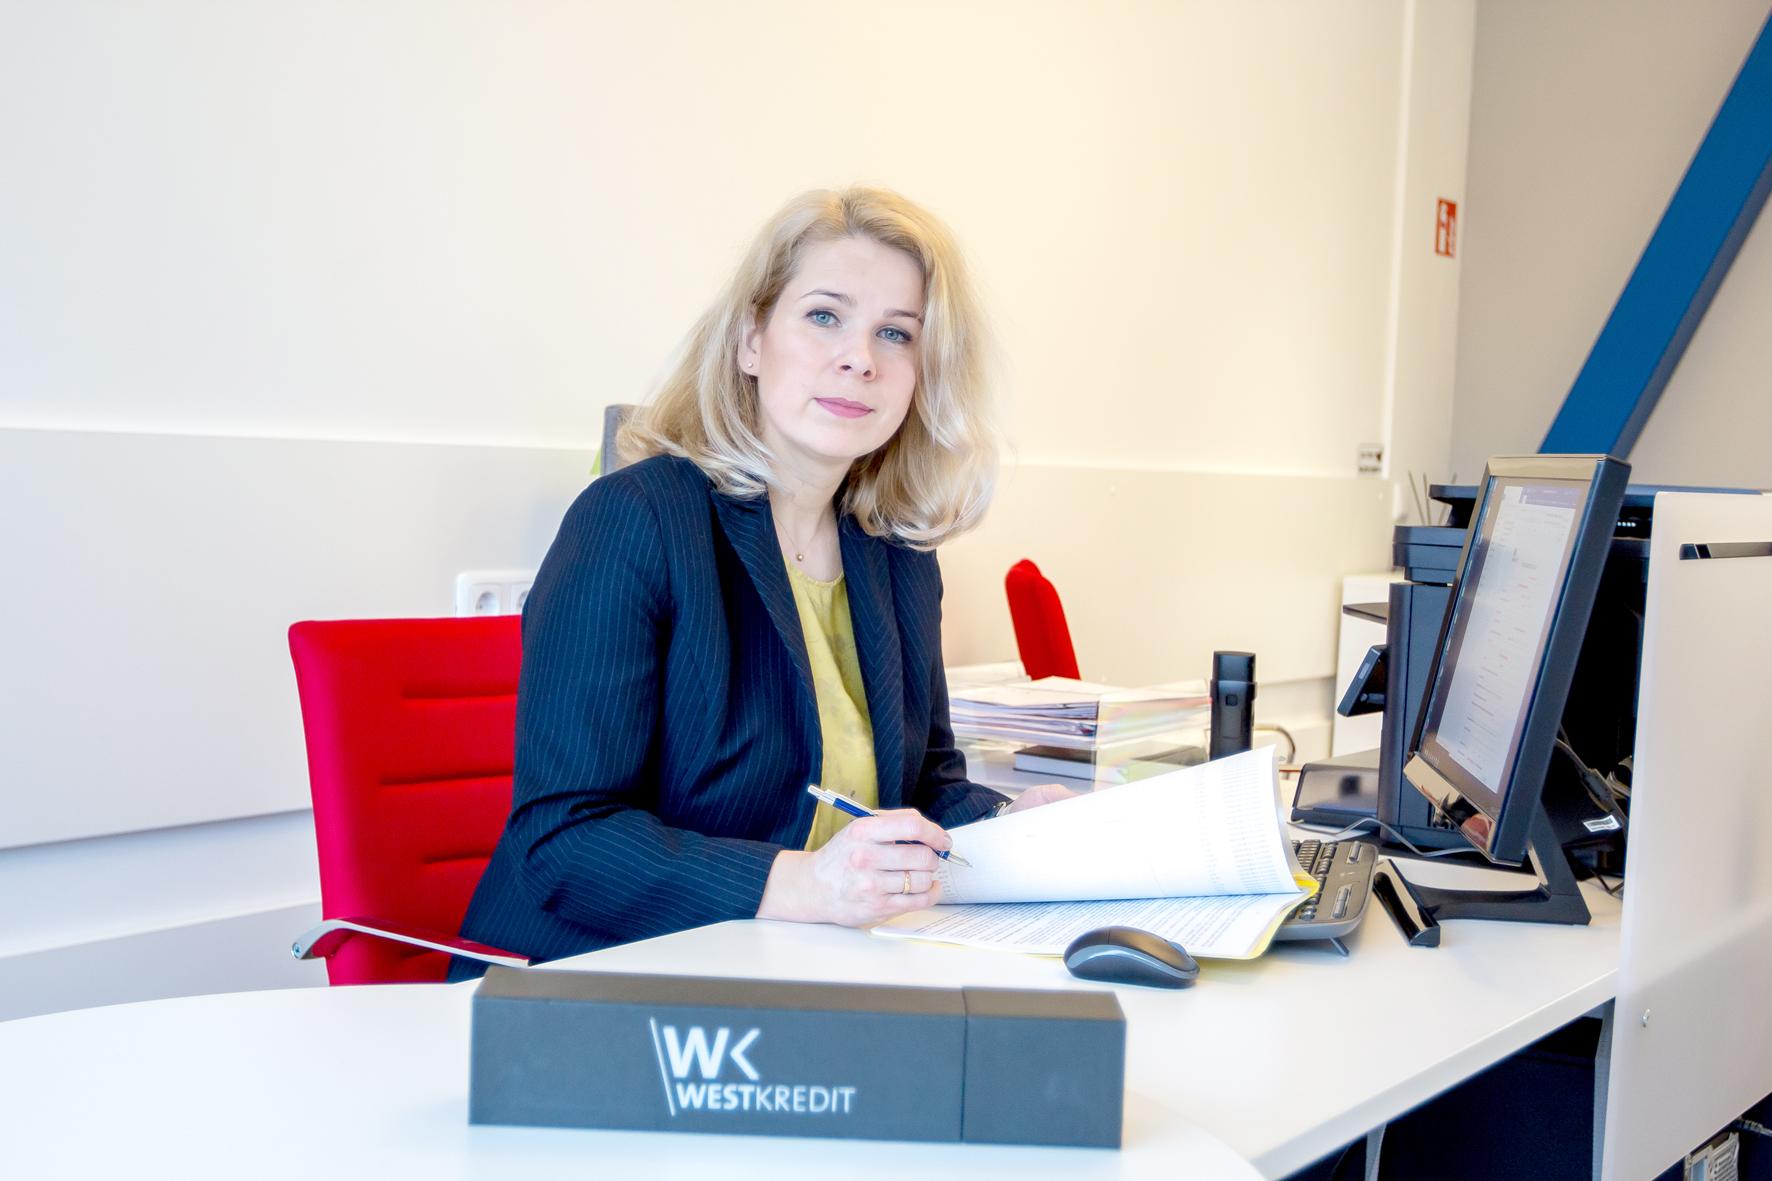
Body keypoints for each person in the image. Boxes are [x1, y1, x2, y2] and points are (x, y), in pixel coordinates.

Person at [451, 187, 1070, 975]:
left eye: (896, 333)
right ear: (751, 339)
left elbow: (924, 785)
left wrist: (1017, 824)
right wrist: (808, 885)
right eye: (824, 316)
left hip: (804, 965)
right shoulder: (635, 519)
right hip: (596, 979)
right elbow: (564, 838)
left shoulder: (895, 549)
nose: (861, 358)